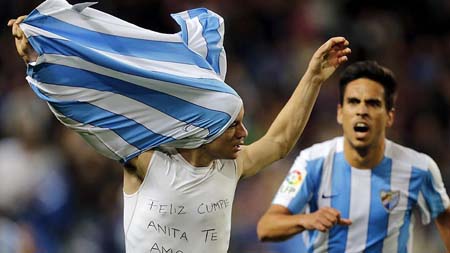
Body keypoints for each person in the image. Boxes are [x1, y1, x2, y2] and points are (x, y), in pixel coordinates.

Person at [8, 2, 352, 253]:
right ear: (203, 130)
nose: (244, 134)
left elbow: (279, 141)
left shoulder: (231, 167)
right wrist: (39, 60)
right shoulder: (144, 163)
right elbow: (82, 118)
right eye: (232, 127)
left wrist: (313, 77)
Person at [257, 61, 450, 252]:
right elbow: (266, 227)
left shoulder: (419, 168)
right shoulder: (313, 162)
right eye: (353, 102)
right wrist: (307, 219)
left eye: (373, 103)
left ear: (390, 116)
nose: (362, 111)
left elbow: (445, 218)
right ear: (340, 113)